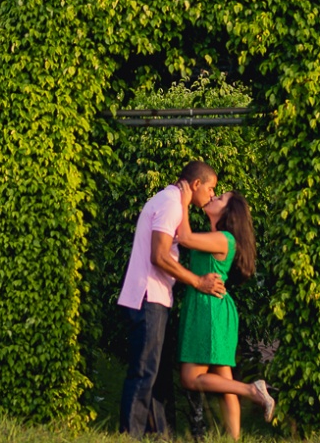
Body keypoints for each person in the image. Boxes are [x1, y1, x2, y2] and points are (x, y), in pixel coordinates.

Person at [118, 161, 226, 438]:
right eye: (211, 188)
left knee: (155, 373)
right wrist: (198, 281)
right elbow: (160, 255)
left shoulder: (175, 201)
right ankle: (130, 435)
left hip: (155, 297)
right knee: (144, 372)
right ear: (196, 184)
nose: (213, 195)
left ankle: (158, 434)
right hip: (148, 297)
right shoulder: (170, 203)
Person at [175, 184, 275, 439]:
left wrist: (184, 200)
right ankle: (234, 438)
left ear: (228, 213)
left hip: (210, 309)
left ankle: (252, 390)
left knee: (190, 377)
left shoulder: (224, 238)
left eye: (220, 197)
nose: (213, 197)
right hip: (214, 308)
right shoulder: (216, 237)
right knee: (223, 379)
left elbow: (184, 237)